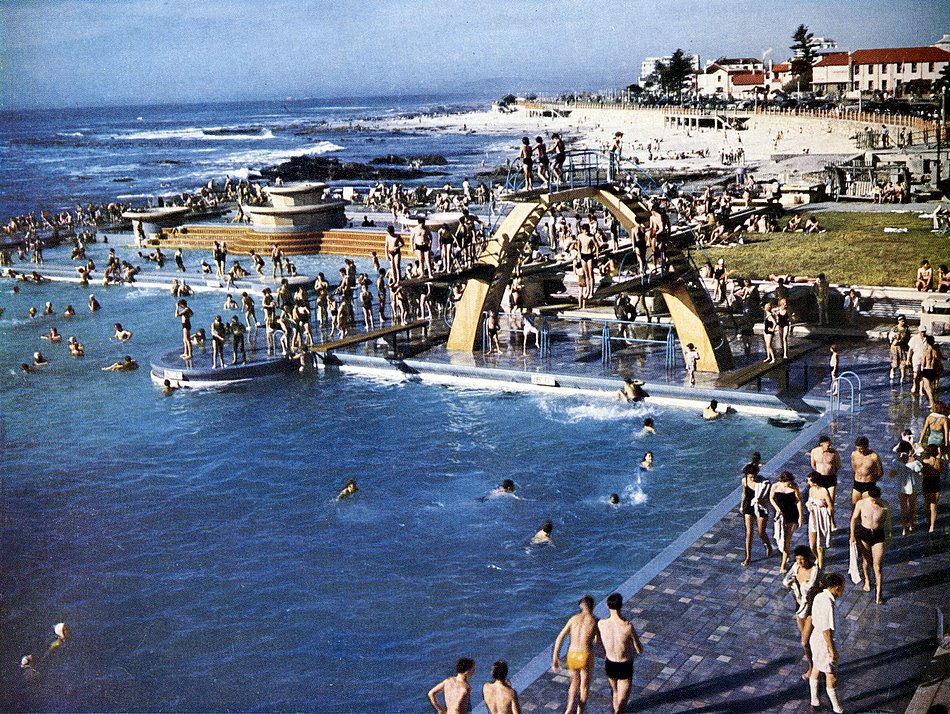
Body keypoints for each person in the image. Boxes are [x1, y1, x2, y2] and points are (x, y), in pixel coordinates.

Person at [596, 592, 643, 714]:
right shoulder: (627, 626)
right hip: (625, 665)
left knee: (615, 693)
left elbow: (597, 644)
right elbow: (639, 649)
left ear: (607, 606)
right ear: (621, 606)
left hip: (610, 663)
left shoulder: (601, 624)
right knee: (622, 703)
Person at [552, 594, 599, 714]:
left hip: (572, 655)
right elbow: (598, 642)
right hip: (585, 655)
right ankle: (579, 711)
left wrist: (555, 657)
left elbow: (560, 637)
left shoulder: (573, 619)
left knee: (573, 684)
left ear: (581, 606)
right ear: (593, 606)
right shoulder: (595, 621)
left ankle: (569, 709)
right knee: (584, 686)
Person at [808, 573, 846, 713]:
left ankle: (814, 700)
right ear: (836, 587)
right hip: (824, 644)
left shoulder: (819, 597)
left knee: (816, 668)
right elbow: (826, 630)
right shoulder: (828, 603)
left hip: (815, 639)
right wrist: (832, 650)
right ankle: (837, 708)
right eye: (842, 587)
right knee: (831, 676)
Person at [782, 545, 819, 679]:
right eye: (797, 559)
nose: (800, 562)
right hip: (800, 607)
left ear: (808, 558)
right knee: (807, 643)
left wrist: (798, 583)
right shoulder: (796, 567)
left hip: (812, 609)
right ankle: (813, 665)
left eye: (802, 559)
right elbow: (786, 580)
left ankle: (814, 666)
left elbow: (810, 587)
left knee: (804, 642)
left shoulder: (814, 570)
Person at [850, 484, 889, 604]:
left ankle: (879, 593)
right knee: (866, 561)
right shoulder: (861, 503)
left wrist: (889, 537)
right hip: (865, 533)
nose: (874, 502)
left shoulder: (884, 505)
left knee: (878, 566)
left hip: (878, 535)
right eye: (872, 499)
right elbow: (854, 519)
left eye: (876, 499)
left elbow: (887, 523)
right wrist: (852, 535)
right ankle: (867, 580)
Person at [770, 471, 803, 572]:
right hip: (781, 515)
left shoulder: (794, 487)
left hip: (792, 515)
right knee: (781, 538)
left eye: (790, 483)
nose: (789, 485)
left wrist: (800, 516)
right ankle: (785, 554)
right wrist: (777, 509)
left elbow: (798, 501)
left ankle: (783, 565)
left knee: (787, 541)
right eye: (787, 483)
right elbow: (771, 498)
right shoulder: (775, 486)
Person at [740, 463, 772, 566]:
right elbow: (744, 493)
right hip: (749, 506)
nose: (753, 479)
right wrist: (742, 505)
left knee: (761, 532)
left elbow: (768, 498)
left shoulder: (764, 483)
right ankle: (748, 557)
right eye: (751, 477)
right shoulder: (745, 480)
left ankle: (768, 545)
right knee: (749, 533)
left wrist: (761, 501)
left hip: (760, 507)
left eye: (754, 476)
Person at [806, 471, 834, 570]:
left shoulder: (824, 491)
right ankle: (817, 558)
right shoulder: (811, 490)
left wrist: (830, 520)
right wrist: (809, 505)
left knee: (819, 546)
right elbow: (809, 501)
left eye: (809, 481)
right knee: (812, 545)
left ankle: (820, 568)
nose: (808, 482)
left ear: (815, 482)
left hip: (822, 517)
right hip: (813, 517)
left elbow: (830, 506)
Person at [851, 436, 883, 506]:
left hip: (869, 485)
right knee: (855, 505)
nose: (861, 451)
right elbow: (854, 468)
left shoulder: (874, 456)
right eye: (858, 449)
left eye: (862, 449)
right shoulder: (854, 454)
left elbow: (880, 472)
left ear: (866, 446)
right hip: (857, 484)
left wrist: (873, 481)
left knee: (866, 507)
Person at [810, 436, 842, 502]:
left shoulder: (834, 453)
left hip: (831, 478)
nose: (830, 447)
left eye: (830, 445)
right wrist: (818, 472)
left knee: (830, 500)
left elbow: (838, 465)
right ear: (821, 444)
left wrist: (831, 471)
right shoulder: (814, 452)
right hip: (819, 478)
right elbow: (813, 464)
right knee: (820, 500)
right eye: (828, 445)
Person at [921, 443, 943, 533]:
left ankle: (929, 520)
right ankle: (932, 526)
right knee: (934, 506)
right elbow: (941, 471)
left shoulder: (925, 462)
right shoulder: (939, 462)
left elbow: (922, 473)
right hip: (936, 483)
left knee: (927, 505)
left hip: (927, 483)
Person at [888, 315, 910, 384]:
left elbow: (908, 338)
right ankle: (892, 372)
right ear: (898, 321)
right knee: (895, 363)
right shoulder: (894, 329)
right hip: (895, 348)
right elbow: (892, 340)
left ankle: (902, 377)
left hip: (903, 347)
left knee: (903, 363)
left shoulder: (906, 329)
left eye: (904, 321)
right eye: (901, 321)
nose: (903, 322)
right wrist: (896, 340)